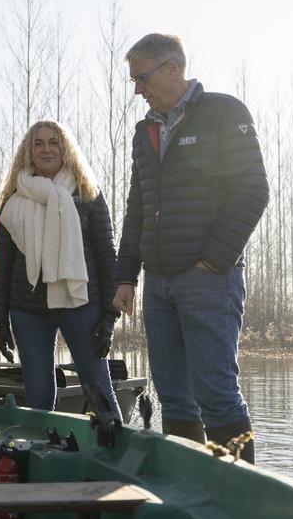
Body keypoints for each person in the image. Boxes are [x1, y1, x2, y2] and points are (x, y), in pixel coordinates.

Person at [112, 33, 268, 463]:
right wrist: (126, 276)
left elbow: (253, 192)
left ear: (172, 69)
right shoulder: (145, 132)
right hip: (158, 286)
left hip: (208, 281)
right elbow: (137, 208)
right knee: (175, 400)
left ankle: (236, 496)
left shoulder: (223, 112)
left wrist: (211, 262)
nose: (137, 89)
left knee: (216, 395)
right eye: (134, 82)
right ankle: (190, 492)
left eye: (141, 78)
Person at [0, 120, 123, 420]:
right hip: (28, 309)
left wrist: (109, 316)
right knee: (38, 396)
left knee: (99, 389)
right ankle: (43, 459)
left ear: (65, 149)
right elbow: (3, 263)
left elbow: (106, 255)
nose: (46, 149)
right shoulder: (13, 201)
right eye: (39, 143)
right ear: (29, 151)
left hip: (81, 304)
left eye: (54, 142)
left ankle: (114, 454)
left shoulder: (87, 193)